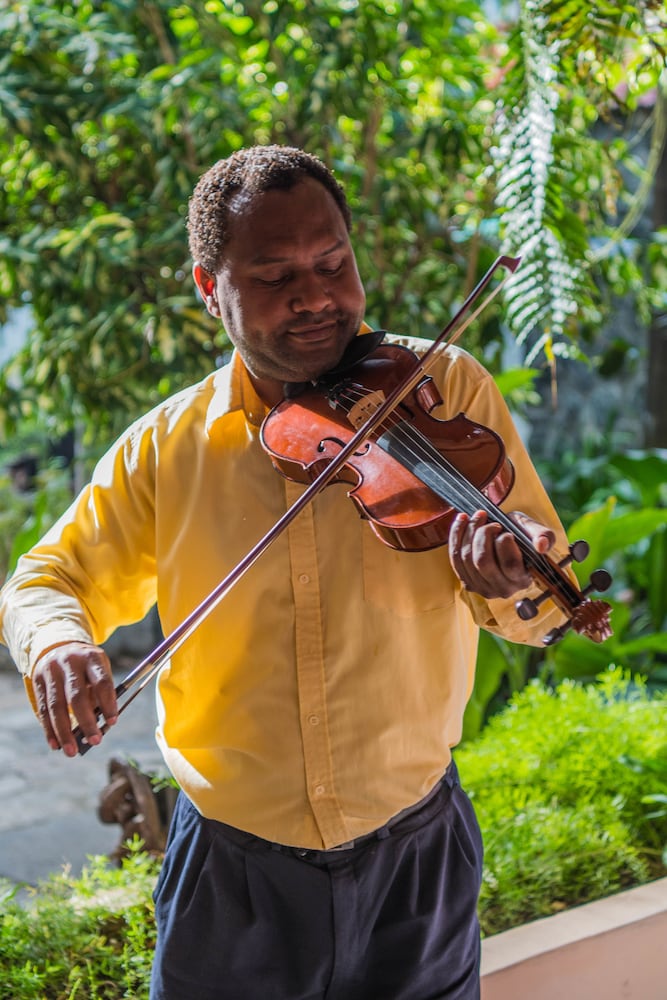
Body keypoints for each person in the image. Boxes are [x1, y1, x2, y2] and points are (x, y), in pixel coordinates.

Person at [0, 145, 572, 1000]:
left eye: (333, 264)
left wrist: (516, 580)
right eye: (273, 277)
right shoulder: (168, 447)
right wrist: (55, 644)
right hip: (234, 872)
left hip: (414, 850)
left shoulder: (439, 389)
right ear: (208, 288)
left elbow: (539, 601)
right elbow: (46, 578)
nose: (315, 296)